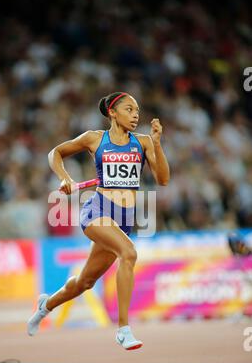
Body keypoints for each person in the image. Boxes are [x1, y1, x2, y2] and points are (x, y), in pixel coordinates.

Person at [27, 92, 170, 350]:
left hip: (123, 220)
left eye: (137, 110)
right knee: (128, 253)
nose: (136, 114)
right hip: (97, 210)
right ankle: (123, 329)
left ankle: (45, 305)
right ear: (112, 113)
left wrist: (158, 144)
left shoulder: (144, 142)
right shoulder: (95, 138)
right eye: (129, 109)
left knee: (85, 282)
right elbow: (55, 153)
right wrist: (65, 178)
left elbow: (162, 179)